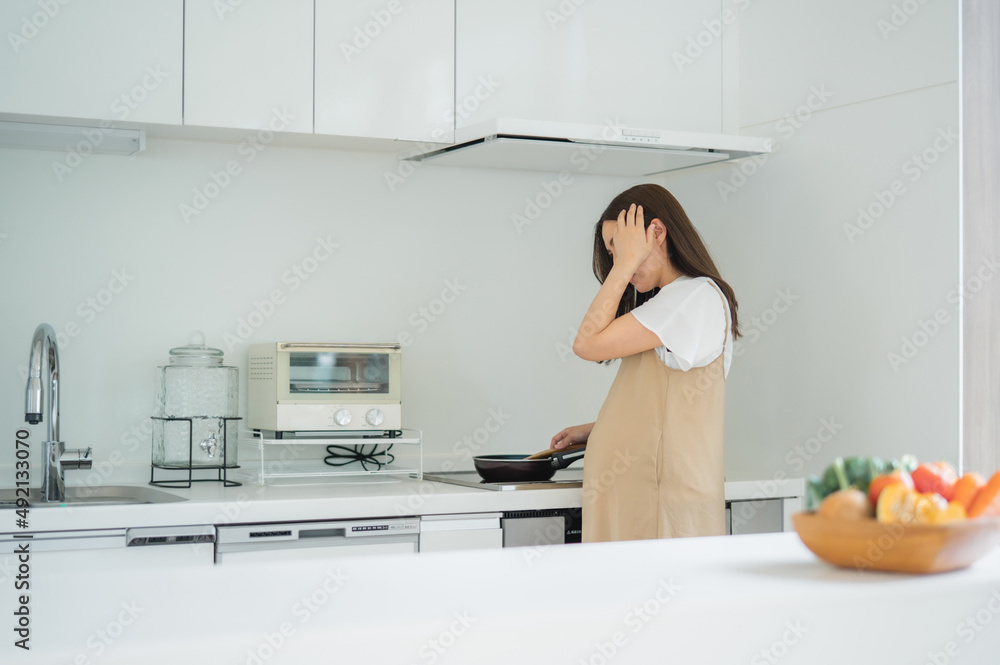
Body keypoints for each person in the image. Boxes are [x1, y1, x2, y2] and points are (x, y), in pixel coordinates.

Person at [550, 183, 741, 542]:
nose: (616, 263)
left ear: (656, 232)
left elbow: (586, 344)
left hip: (659, 502)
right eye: (613, 255)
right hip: (638, 499)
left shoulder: (694, 296)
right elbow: (665, 410)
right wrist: (599, 429)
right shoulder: (671, 303)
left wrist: (625, 265)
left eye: (619, 248)